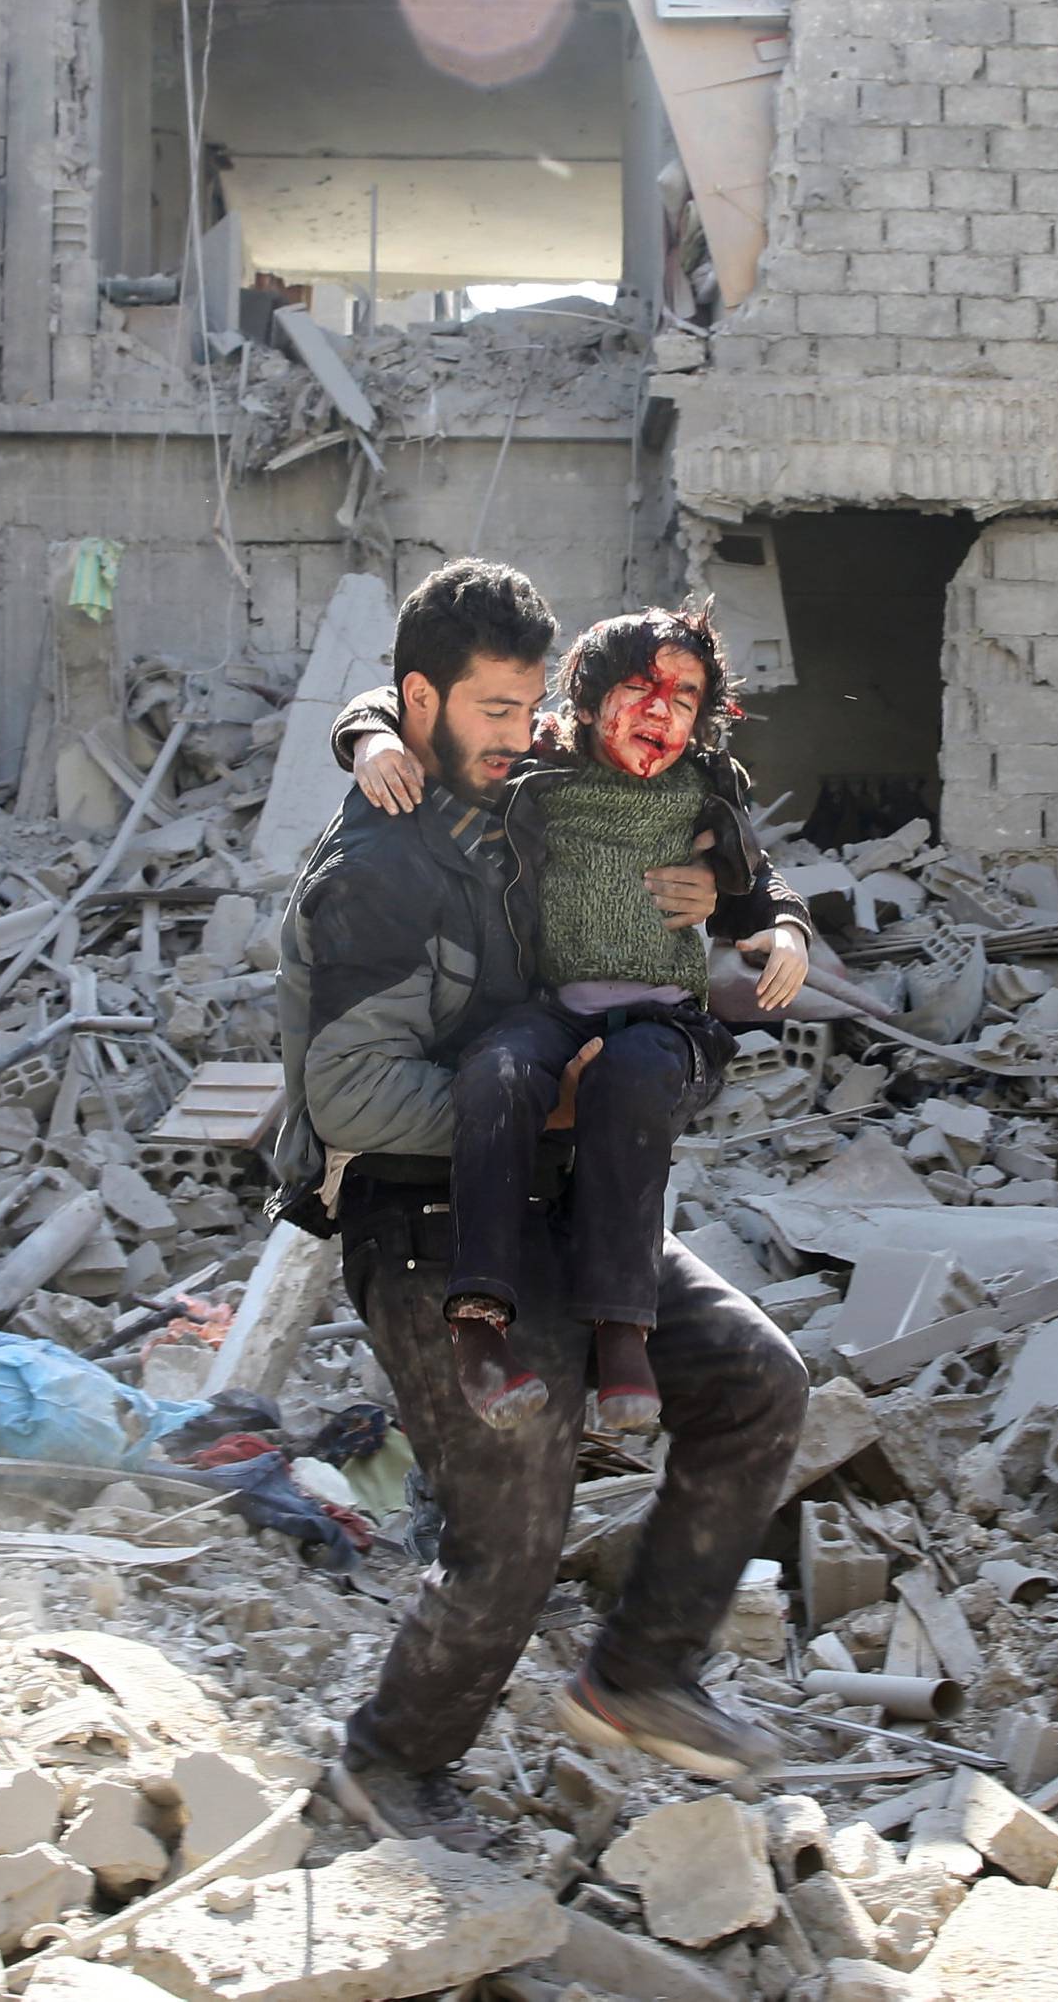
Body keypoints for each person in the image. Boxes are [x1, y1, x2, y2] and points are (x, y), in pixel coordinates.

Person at [269, 559, 809, 1849]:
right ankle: (382, 1767)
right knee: (513, 1528)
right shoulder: (377, 869)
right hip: (428, 1224)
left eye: (530, 710)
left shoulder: (534, 798)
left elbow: (709, 838)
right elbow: (348, 1095)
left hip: (564, 1197)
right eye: (496, 713)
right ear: (422, 703)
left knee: (755, 1382)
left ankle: (643, 1670)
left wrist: (756, 923)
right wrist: (554, 1103)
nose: (526, 737)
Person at [348, 601, 811, 1437]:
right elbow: (413, 709)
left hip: (668, 1024)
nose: (661, 711)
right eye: (640, 690)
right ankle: (479, 1324)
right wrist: (372, 740)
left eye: (684, 696)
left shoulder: (707, 786)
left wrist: (785, 931)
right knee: (494, 1074)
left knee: (628, 1084)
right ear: (589, 701)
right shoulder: (536, 766)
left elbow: (759, 886)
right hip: (552, 1009)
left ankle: (622, 1328)